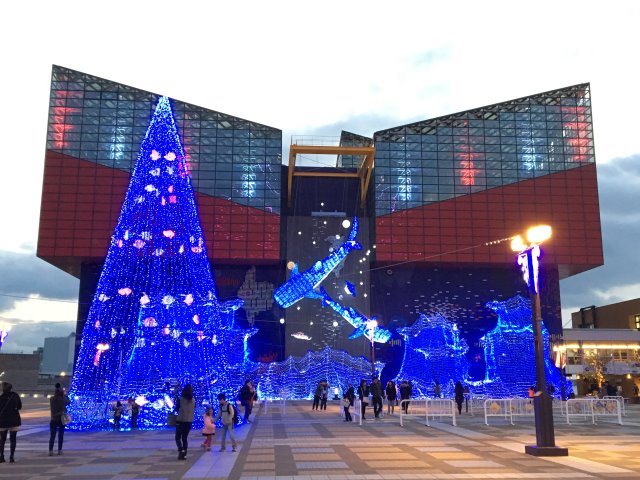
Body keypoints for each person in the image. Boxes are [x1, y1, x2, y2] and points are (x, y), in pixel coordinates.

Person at [0, 382, 21, 463]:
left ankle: (2, 456)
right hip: (14, 420)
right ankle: (11, 457)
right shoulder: (15, 396)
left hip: (3, 421)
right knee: (13, 439)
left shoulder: (1, 398)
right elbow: (19, 406)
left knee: (2, 440)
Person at [49, 383, 70, 456]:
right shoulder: (63, 399)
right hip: (61, 418)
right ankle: (59, 450)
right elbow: (68, 402)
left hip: (53, 418)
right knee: (61, 435)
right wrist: (65, 395)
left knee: (52, 435)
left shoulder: (52, 399)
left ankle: (50, 450)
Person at [175, 384, 195, 460]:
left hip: (180, 420)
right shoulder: (193, 400)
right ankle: (184, 455)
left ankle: (181, 450)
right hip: (189, 421)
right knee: (184, 438)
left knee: (177, 437)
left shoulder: (180, 399)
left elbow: (176, 409)